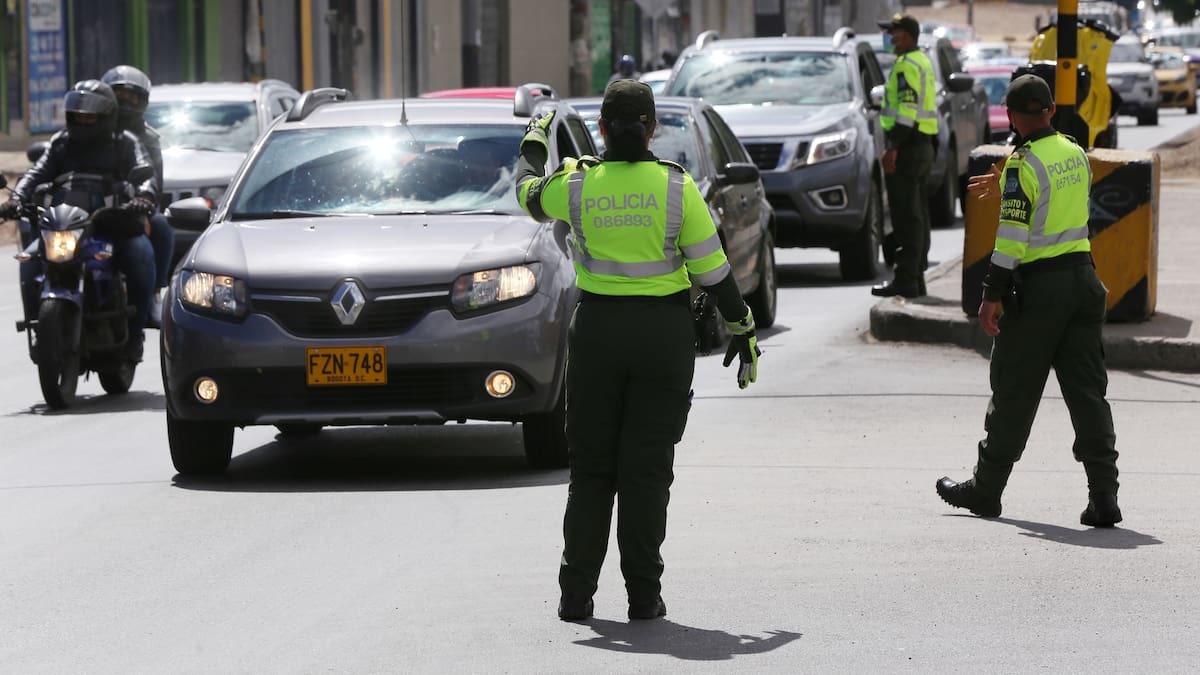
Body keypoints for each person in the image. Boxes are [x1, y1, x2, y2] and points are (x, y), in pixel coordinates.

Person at [514, 81, 762, 621]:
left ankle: (575, 596)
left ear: (602, 128)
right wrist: (741, 327)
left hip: (597, 334)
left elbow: (527, 192)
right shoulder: (677, 190)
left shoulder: (577, 186)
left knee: (592, 471)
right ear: (652, 128)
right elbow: (715, 273)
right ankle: (643, 598)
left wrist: (534, 140)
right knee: (646, 472)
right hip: (661, 340)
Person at [936, 74, 1121, 527]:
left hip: (1040, 291)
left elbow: (1013, 238)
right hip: (1083, 282)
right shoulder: (1075, 151)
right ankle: (1104, 496)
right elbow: (1059, 201)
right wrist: (1012, 183)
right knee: (1088, 393)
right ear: (1051, 112)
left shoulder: (1022, 164)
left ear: (1013, 117)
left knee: (1014, 391)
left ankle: (986, 489)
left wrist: (990, 296)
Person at [0, 80, 159, 360]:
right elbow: (35, 173)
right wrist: (16, 199)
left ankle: (135, 332)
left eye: (91, 116)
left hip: (110, 225)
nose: (84, 121)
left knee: (140, 254)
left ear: (107, 116)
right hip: (66, 227)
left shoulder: (125, 142)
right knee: (29, 260)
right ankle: (40, 329)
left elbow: (146, 173)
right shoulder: (61, 143)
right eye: (78, 115)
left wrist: (144, 196)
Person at [102, 65, 174, 327]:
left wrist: (143, 202)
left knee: (161, 226)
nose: (125, 102)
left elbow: (154, 179)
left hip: (132, 206)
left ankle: (153, 294)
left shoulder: (147, 139)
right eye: (118, 95)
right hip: (92, 206)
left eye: (132, 97)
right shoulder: (91, 131)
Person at [872, 14, 938, 299]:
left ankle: (907, 278)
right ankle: (916, 275)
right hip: (922, 145)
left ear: (908, 36)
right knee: (918, 214)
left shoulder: (906, 66)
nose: (889, 38)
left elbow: (907, 111)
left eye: (893, 32)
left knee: (905, 217)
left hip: (908, 147)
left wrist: (893, 147)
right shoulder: (921, 61)